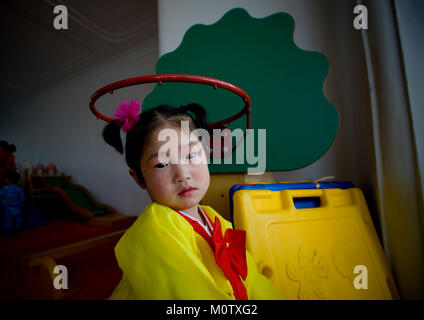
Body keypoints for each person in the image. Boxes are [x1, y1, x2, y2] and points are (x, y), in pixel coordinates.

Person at [103, 100, 282, 300]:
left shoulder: (215, 219)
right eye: (161, 164)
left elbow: (252, 279)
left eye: (191, 155)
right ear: (138, 178)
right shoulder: (154, 232)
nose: (182, 174)